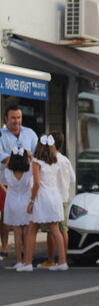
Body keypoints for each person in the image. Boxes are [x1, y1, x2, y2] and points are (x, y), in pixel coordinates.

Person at [22, 135, 68, 272]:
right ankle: (62, 262)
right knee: (55, 229)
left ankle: (28, 263)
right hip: (54, 196)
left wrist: (31, 201)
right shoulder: (55, 161)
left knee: (32, 230)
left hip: (41, 197)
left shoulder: (36, 162)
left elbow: (36, 184)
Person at [0, 106, 38, 260]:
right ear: (6, 119)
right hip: (6, 180)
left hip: (27, 183)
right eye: (13, 118)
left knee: (25, 217)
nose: (17, 121)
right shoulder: (1, 135)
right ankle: (4, 247)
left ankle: (24, 250)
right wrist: (18, 160)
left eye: (19, 117)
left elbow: (36, 154)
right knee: (5, 216)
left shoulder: (29, 133)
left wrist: (24, 159)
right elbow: (1, 156)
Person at [37, 132, 76, 268]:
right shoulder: (64, 159)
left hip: (49, 196)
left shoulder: (47, 159)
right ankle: (63, 258)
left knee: (50, 231)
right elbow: (73, 179)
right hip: (63, 197)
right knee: (62, 229)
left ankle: (51, 259)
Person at [4, 147, 32, 271]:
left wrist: (11, 157)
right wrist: (29, 157)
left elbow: (6, 166)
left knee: (16, 233)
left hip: (13, 203)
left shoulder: (8, 172)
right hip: (26, 202)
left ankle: (18, 261)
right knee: (27, 233)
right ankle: (27, 260)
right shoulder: (29, 170)